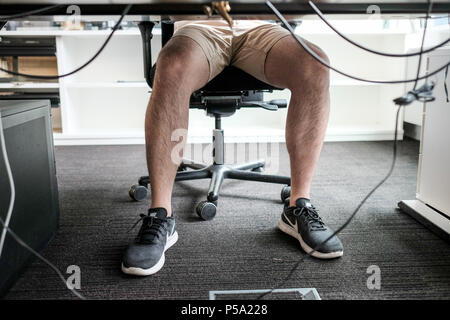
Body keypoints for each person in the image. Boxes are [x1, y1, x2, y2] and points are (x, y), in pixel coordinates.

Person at [121, 20, 343, 276]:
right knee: (171, 64)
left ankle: (298, 207)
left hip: (258, 28)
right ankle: (161, 215)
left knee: (315, 64)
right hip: (201, 28)